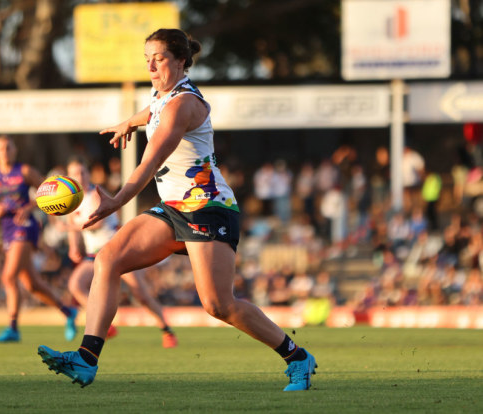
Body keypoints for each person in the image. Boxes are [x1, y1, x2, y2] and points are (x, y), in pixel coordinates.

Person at [37, 29, 316, 391]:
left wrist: (116, 201)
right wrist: (129, 123)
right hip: (173, 208)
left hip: (208, 208)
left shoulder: (184, 104)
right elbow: (152, 110)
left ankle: (297, 357)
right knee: (107, 259)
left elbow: (151, 162)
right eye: (147, 59)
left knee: (218, 305)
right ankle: (86, 359)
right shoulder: (163, 95)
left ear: (182, 61)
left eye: (160, 58)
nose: (151, 65)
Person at [65, 158, 178, 348]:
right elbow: (72, 228)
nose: (80, 176)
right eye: (75, 173)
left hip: (116, 251)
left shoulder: (96, 194)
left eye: (83, 172)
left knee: (140, 294)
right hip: (94, 255)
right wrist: (73, 247)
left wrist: (69, 226)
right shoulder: (72, 201)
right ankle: (104, 326)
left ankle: (166, 329)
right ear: (69, 177)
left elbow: (96, 221)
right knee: (75, 285)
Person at [0, 134, 77, 342]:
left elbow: (50, 194)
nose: (5, 151)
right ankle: (68, 312)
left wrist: (29, 206)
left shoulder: (24, 171)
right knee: (32, 284)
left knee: (8, 276)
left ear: (14, 150)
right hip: (7, 229)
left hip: (25, 227)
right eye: (0, 148)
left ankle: (13, 327)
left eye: (8, 147)